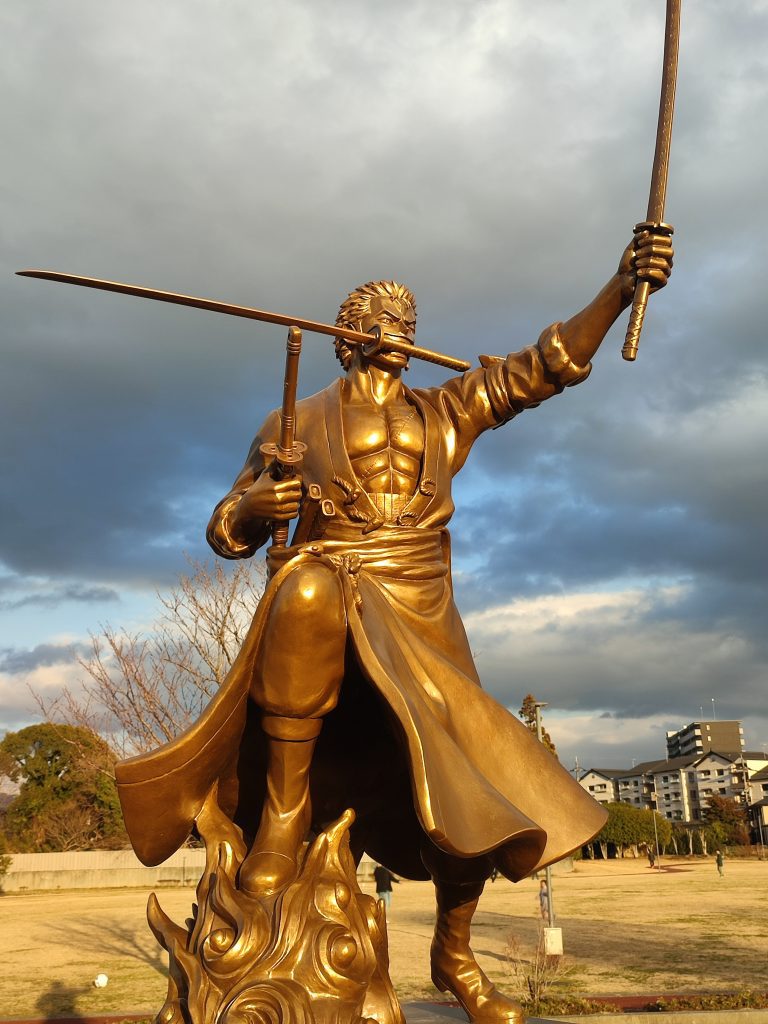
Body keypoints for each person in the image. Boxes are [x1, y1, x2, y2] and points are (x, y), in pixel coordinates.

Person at [117, 228, 673, 1023]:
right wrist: (256, 506)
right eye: (382, 319)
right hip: (328, 585)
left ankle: (453, 951)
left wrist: (621, 287)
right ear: (349, 338)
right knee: (305, 588)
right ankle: (280, 821)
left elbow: (545, 367)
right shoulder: (295, 422)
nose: (399, 330)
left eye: (408, 320)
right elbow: (225, 528)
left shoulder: (444, 410)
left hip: (417, 604)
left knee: (466, 793)